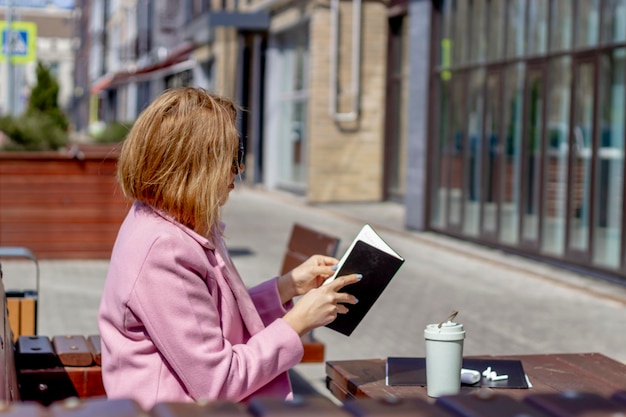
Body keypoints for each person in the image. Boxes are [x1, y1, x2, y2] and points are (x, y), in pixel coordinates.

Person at [97, 87, 360, 409]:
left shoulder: (172, 222)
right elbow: (218, 382)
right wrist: (298, 322)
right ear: (194, 166)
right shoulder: (163, 249)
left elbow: (208, 319)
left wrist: (287, 287)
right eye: (232, 157)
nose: (239, 170)